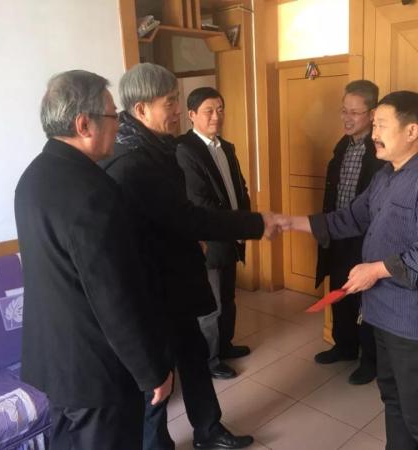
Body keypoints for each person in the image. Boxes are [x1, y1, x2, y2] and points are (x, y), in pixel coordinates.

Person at [99, 63, 276, 450]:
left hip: (174, 283)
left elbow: (176, 217)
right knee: (158, 378)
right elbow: (188, 217)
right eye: (169, 102)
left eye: (177, 100)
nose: (178, 110)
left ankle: (208, 430)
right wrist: (257, 223)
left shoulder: (158, 148)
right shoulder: (131, 162)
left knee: (194, 357)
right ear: (141, 109)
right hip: (151, 292)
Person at [281, 91, 418, 449]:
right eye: (374, 124)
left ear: (411, 131)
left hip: (417, 323)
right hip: (384, 315)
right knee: (394, 400)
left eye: (381, 125)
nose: (374, 133)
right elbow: (352, 217)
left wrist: (377, 269)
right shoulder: (386, 175)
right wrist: (290, 222)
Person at [14, 70, 173, 450]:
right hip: (96, 370)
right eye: (113, 115)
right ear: (84, 124)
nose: (118, 125)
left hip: (55, 360)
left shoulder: (33, 177)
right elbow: (112, 296)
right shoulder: (92, 192)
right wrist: (150, 370)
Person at [176, 87, 252, 380]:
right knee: (211, 304)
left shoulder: (226, 147)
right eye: (209, 111)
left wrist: (244, 222)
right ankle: (209, 359)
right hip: (208, 240)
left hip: (231, 235)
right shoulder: (185, 149)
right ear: (192, 114)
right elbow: (198, 201)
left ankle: (225, 345)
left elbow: (240, 189)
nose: (216, 116)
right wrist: (233, 227)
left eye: (220, 109)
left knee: (229, 296)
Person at [312, 80, 384, 385]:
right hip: (339, 233)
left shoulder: (379, 149)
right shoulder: (342, 147)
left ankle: (370, 361)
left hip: (367, 238)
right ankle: (344, 346)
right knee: (340, 291)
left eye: (355, 112)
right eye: (344, 111)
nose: (347, 118)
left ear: (372, 113)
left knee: (367, 299)